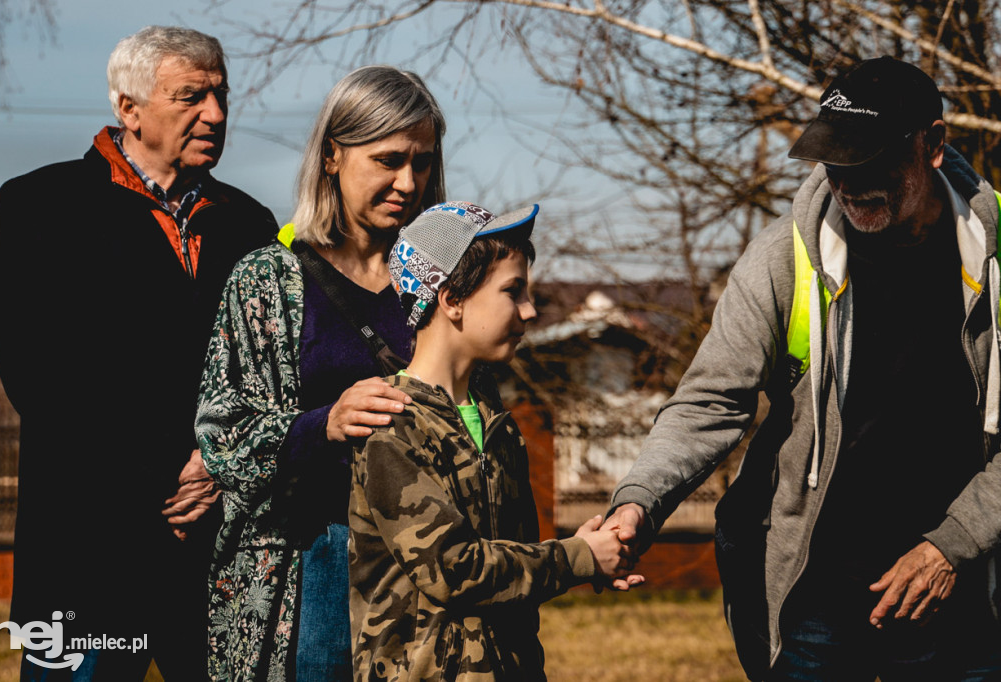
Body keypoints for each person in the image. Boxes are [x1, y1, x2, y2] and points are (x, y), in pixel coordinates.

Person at [605, 56, 1001, 680]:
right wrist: (639, 502)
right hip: (813, 599)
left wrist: (952, 546)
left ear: (933, 145)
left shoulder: (995, 260)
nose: (851, 181)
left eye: (873, 160)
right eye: (836, 160)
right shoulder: (782, 260)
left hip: (959, 593)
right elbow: (709, 403)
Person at [0, 25, 277, 680]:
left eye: (221, 95)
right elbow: (40, 376)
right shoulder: (40, 206)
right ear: (129, 108)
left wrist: (215, 464)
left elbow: (266, 373)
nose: (216, 114)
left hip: (219, 552)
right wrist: (159, 479)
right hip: (89, 548)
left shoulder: (248, 222)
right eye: (191, 97)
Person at [195, 65, 446, 681]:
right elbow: (221, 434)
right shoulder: (268, 279)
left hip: (429, 560)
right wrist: (323, 425)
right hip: (312, 562)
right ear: (332, 156)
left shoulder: (440, 286)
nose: (408, 182)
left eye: (422, 162)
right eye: (388, 160)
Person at [349, 200, 640, 680]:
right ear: (451, 300)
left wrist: (589, 555)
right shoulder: (393, 425)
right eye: (513, 291)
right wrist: (577, 556)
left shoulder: (497, 423)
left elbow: (515, 565)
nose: (529, 310)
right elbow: (454, 570)